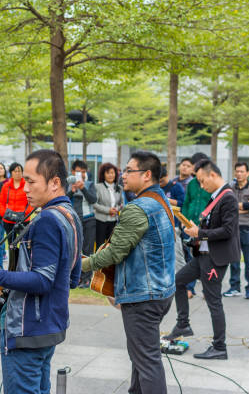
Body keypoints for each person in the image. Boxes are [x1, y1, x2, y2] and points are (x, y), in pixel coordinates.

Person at [0, 149, 82, 394]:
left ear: (55, 182)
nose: (25, 188)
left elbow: (42, 280)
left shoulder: (48, 220)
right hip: (50, 325)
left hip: (29, 329)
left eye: (31, 182)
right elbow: (73, 276)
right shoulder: (69, 215)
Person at [83, 151, 175, 394]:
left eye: (129, 171)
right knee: (142, 357)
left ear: (146, 175)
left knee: (147, 362)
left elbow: (115, 252)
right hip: (161, 292)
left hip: (143, 296)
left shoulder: (138, 208)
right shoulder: (161, 201)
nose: (122, 175)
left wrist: (80, 264)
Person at [165, 159, 240, 361]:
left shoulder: (228, 197)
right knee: (178, 282)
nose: (201, 185)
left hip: (215, 258)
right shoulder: (216, 196)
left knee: (213, 300)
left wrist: (201, 233)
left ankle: (219, 347)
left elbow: (228, 231)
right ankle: (183, 324)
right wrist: (196, 231)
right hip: (203, 255)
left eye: (201, 180)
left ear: (212, 175)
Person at [224, 162, 249, 299]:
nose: (239, 174)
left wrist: (236, 206)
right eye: (237, 171)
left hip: (248, 228)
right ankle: (234, 287)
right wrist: (241, 207)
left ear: (247, 173)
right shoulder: (230, 187)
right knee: (234, 259)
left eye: (242, 171)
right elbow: (226, 204)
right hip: (232, 228)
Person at [179, 152, 211, 298]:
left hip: (205, 228)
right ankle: (190, 289)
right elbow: (186, 203)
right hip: (189, 224)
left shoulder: (210, 183)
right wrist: (183, 220)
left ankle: (207, 289)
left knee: (206, 259)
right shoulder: (191, 184)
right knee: (190, 258)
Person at [0, 162, 34, 270]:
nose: (18, 173)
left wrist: (25, 214)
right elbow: (1, 202)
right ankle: (12, 267)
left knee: (25, 244)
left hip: (23, 220)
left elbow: (31, 201)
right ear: (11, 173)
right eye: (15, 171)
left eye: (19, 171)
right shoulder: (6, 186)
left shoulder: (27, 185)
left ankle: (25, 267)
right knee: (11, 245)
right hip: (9, 221)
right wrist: (4, 214)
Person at [67, 160, 97, 288]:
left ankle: (86, 279)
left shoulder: (90, 184)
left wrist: (83, 188)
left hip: (89, 219)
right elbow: (64, 199)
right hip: (73, 221)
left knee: (88, 249)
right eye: (79, 171)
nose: (82, 174)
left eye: (84, 172)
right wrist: (72, 191)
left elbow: (93, 199)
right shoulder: (68, 184)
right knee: (74, 249)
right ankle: (75, 278)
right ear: (73, 172)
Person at [93, 162, 123, 249]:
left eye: (112, 173)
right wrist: (108, 210)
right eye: (108, 173)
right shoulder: (98, 187)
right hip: (101, 220)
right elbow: (94, 204)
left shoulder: (119, 188)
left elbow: (121, 203)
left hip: (114, 221)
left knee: (112, 246)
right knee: (100, 246)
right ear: (103, 174)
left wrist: (116, 209)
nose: (110, 175)